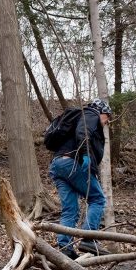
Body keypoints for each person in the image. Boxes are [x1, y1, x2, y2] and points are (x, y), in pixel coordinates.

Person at [49, 100, 111, 259]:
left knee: (70, 209)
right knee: (97, 199)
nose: (108, 121)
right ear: (101, 111)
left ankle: (65, 248)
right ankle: (89, 238)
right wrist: (85, 155)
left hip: (58, 165)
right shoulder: (91, 114)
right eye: (107, 116)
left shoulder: (78, 117)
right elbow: (83, 132)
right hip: (72, 163)